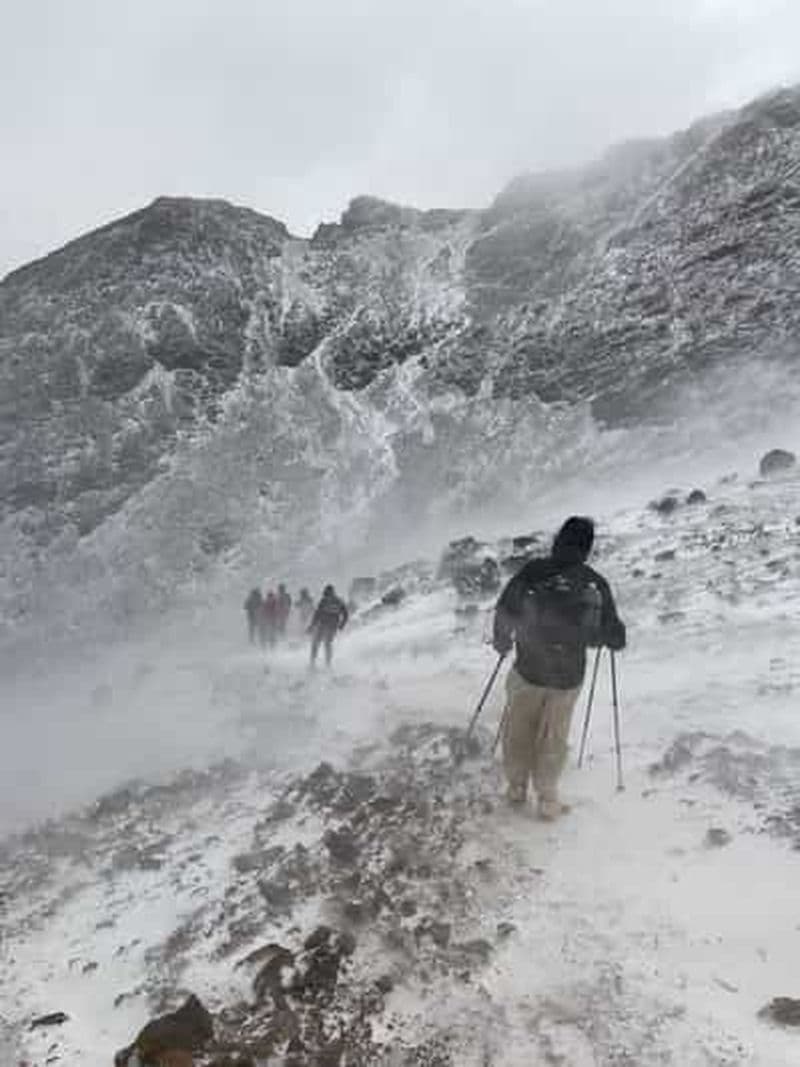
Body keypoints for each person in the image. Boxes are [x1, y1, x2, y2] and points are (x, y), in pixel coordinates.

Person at [493, 516, 626, 820]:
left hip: (528, 669)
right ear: (588, 548)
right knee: (553, 736)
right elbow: (615, 636)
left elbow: (506, 608)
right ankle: (547, 799)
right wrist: (610, 636)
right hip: (568, 677)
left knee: (518, 730)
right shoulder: (594, 583)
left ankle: (515, 786)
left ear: (558, 540)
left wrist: (502, 641)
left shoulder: (534, 571)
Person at [309, 584, 349, 667]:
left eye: (328, 594)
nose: (327, 596)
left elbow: (345, 614)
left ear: (331, 593)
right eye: (326, 594)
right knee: (316, 643)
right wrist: (312, 625)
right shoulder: (324, 601)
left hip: (332, 626)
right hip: (322, 624)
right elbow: (317, 614)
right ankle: (312, 662)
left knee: (327, 643)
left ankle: (328, 664)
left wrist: (342, 624)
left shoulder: (339, 601)